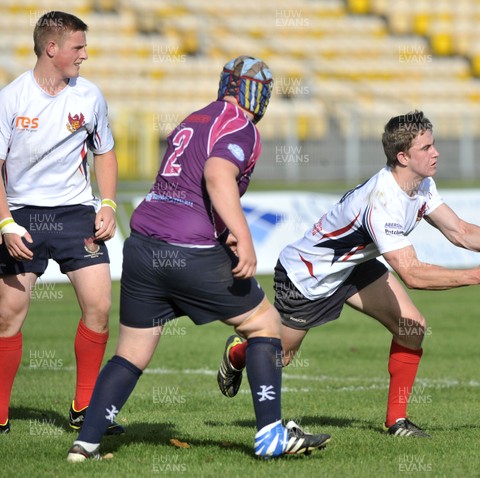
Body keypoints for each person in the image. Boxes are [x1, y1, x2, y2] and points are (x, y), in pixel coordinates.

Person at [218, 110, 480, 437]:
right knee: (282, 355)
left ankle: (397, 422)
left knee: (412, 327)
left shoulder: (422, 185)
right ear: (403, 157)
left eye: (434, 144)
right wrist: (475, 277)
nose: (436, 152)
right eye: (426, 148)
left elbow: (460, 231)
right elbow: (413, 274)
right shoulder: (382, 202)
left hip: (354, 266)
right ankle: (237, 353)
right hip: (309, 275)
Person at [66, 55, 330, 462]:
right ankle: (270, 435)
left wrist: (222, 233)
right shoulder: (239, 125)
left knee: (131, 353)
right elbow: (216, 175)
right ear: (256, 95)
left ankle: (86, 443)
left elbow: (187, 187)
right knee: (264, 324)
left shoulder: (194, 119)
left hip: (141, 245)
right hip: (185, 249)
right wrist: (243, 236)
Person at [0, 11, 120, 435]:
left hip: (75, 214)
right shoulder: (11, 99)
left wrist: (107, 202)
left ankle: (83, 408)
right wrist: (5, 224)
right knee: (9, 313)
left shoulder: (89, 97)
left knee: (100, 307)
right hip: (22, 214)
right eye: (78, 47)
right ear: (52, 48)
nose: (84, 56)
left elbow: (104, 151)